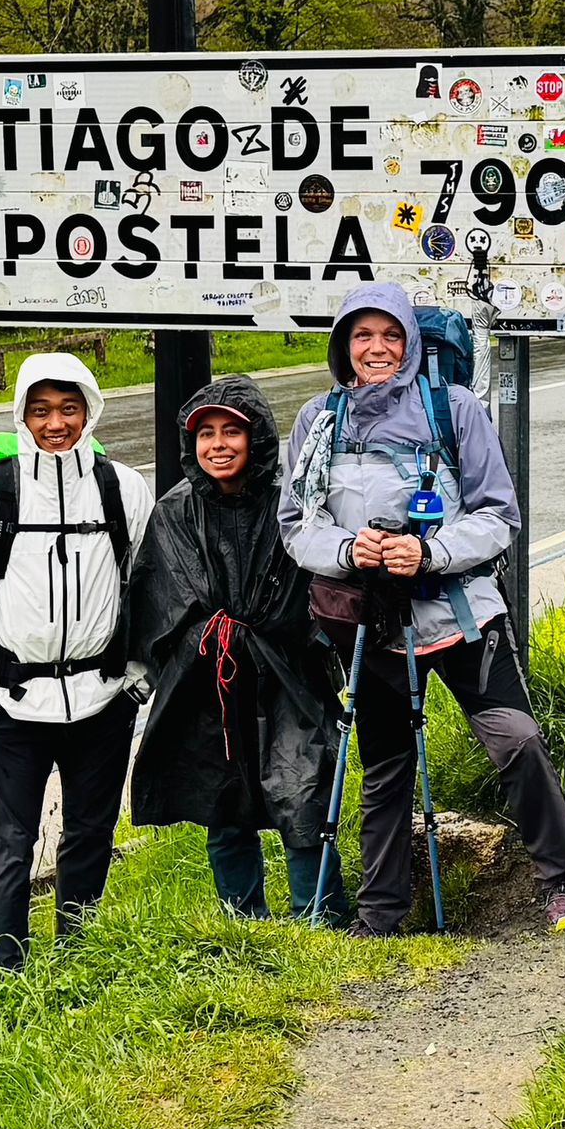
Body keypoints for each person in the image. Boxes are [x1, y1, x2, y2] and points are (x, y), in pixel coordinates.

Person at [279, 283, 565, 935]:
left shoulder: (452, 409)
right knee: (387, 769)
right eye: (362, 336)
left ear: (411, 342)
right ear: (343, 346)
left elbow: (499, 515)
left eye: (390, 335)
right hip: (376, 626)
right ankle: (382, 915)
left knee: (518, 742)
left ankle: (561, 882)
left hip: (464, 615)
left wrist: (429, 554)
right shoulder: (319, 421)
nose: (377, 349)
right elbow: (294, 524)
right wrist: (349, 549)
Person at [0, 352, 155, 968]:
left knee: (90, 834)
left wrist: (137, 678)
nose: (55, 423)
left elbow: (149, 586)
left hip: (103, 697)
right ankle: (6, 969)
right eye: (40, 411)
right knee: (9, 842)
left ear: (90, 410)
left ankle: (77, 956)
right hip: (13, 703)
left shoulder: (123, 487)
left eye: (68, 409)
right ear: (22, 415)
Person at [127, 375, 349, 922]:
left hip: (288, 673)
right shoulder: (176, 511)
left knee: (302, 793)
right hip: (210, 682)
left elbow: (314, 587)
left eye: (232, 431)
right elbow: (162, 594)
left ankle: (317, 919)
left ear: (258, 439)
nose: (219, 445)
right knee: (223, 801)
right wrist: (210, 636)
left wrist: (278, 636)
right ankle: (242, 919)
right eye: (206, 434)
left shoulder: (289, 503)